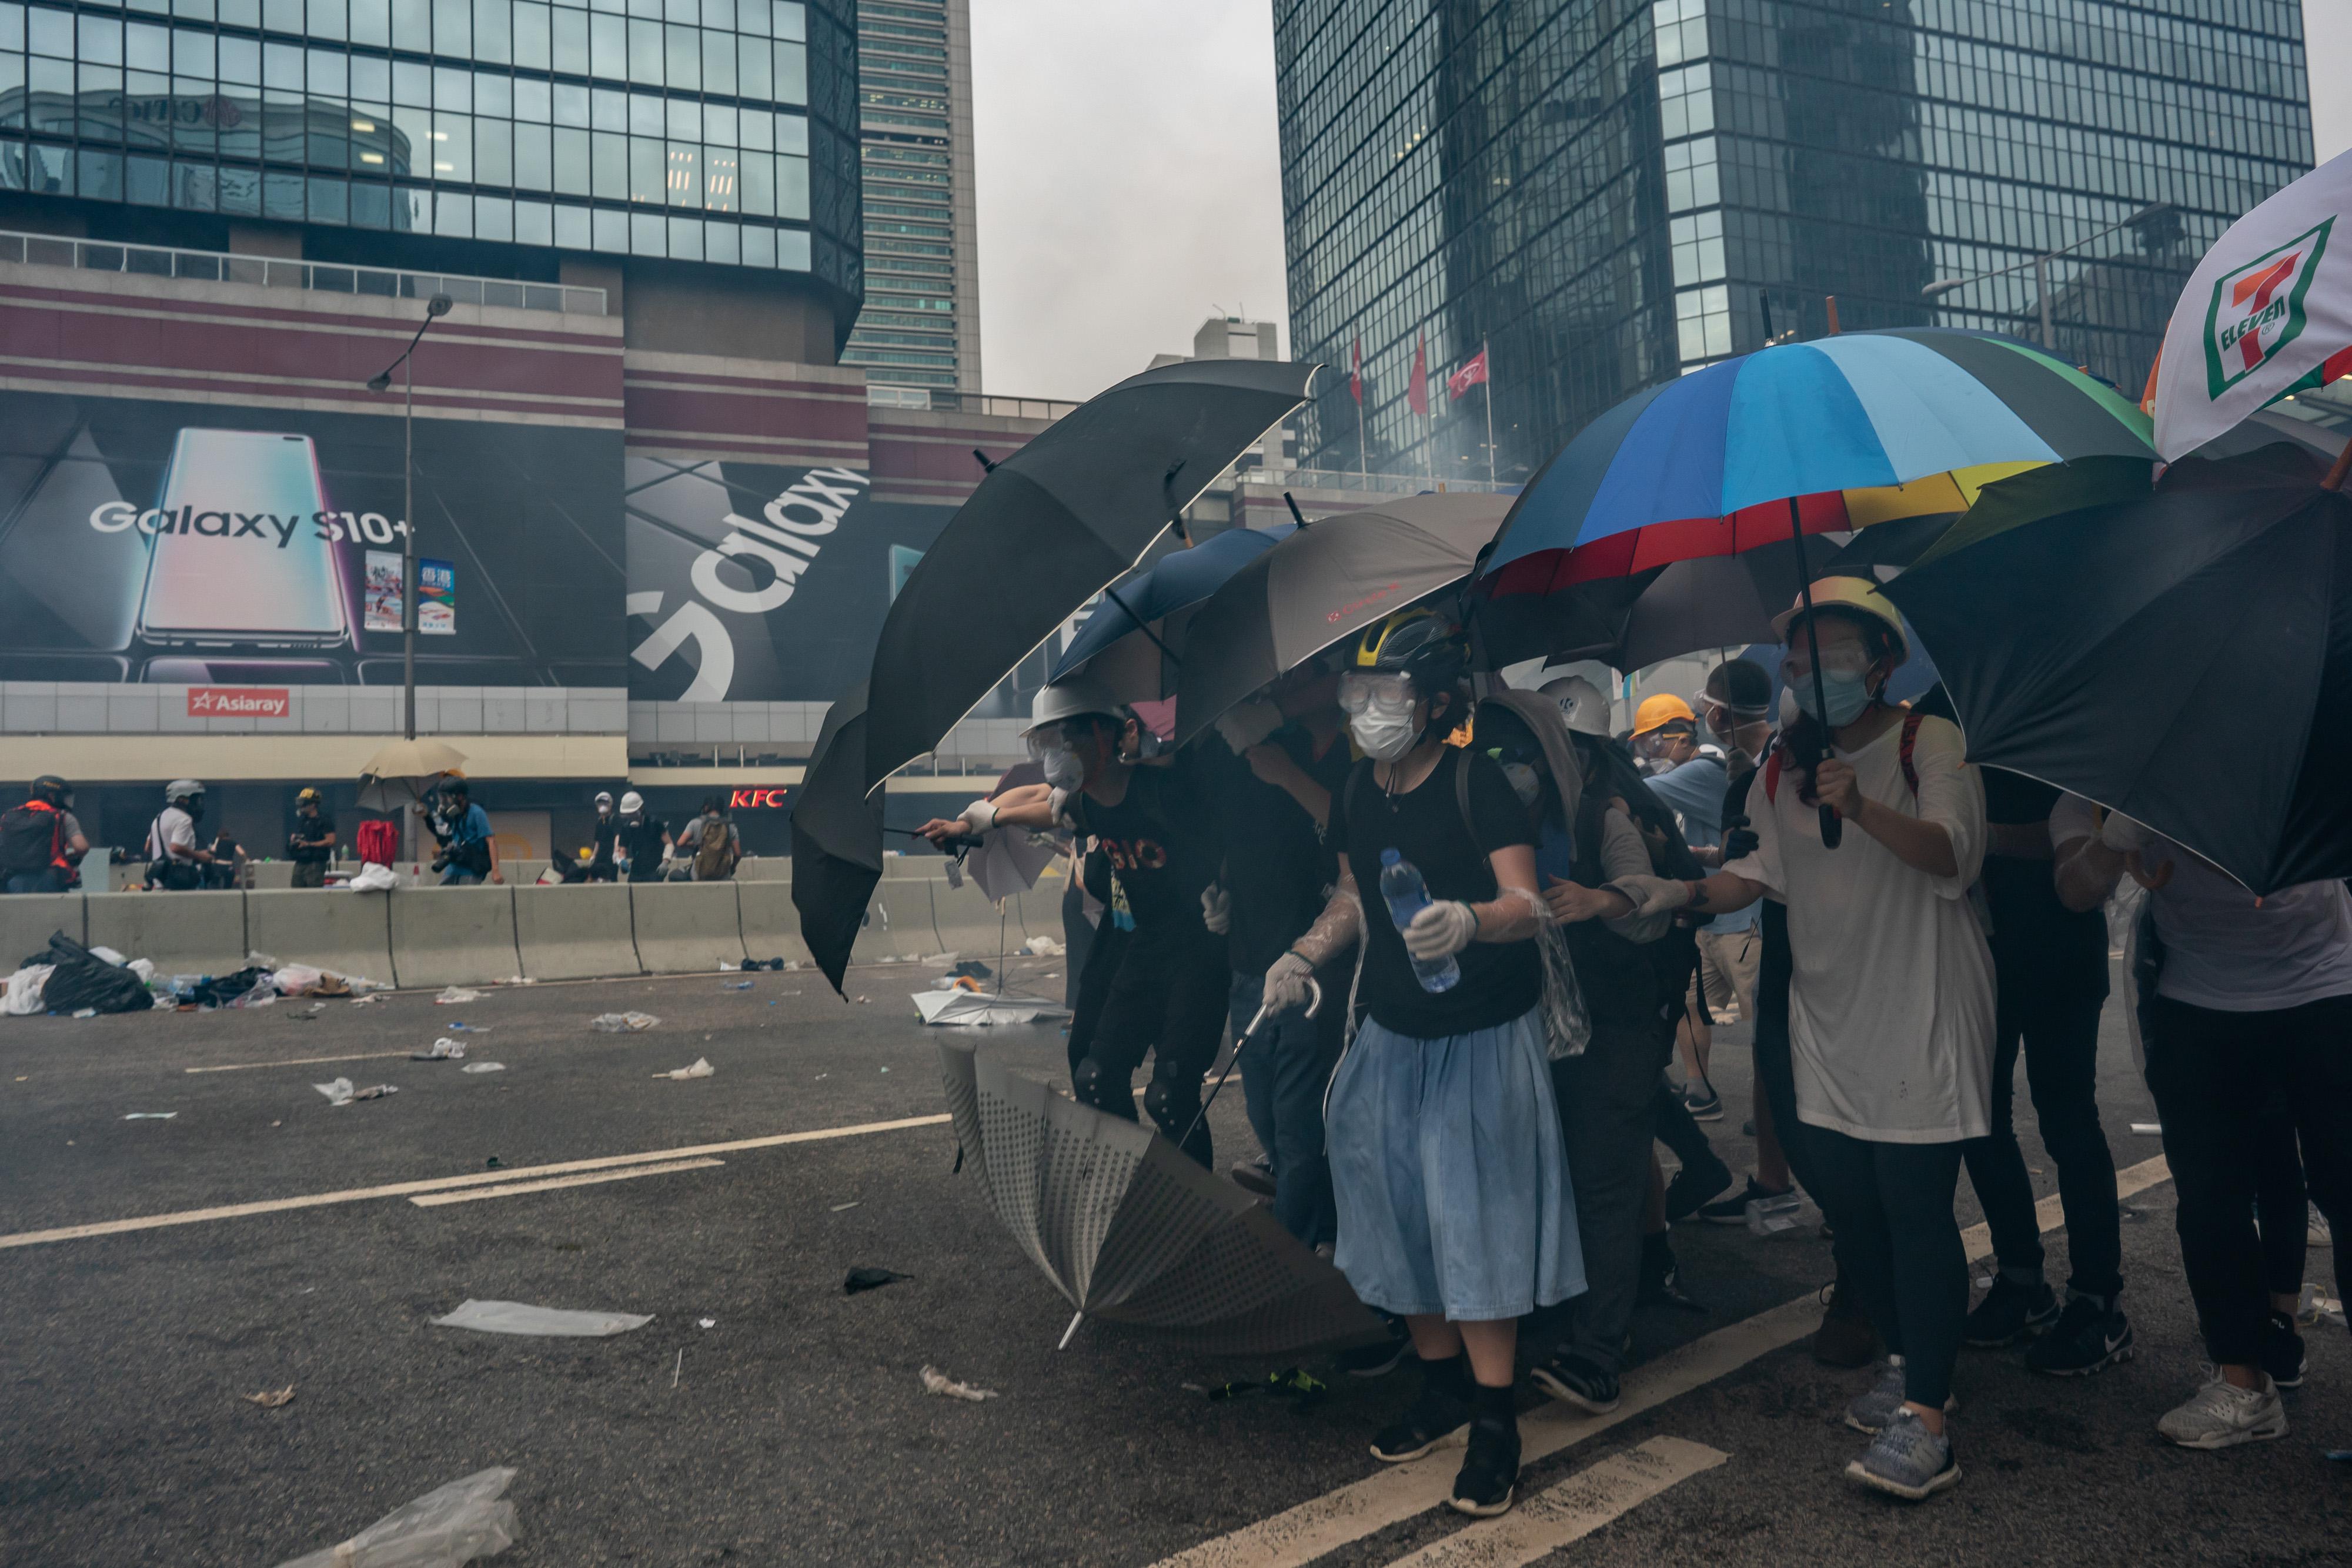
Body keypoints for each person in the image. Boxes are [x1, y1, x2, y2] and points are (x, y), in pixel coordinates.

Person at [1550, 579, 1992, 1502]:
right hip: (1827, 1019)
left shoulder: (1927, 741)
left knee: (1914, 1206)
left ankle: (1933, 1419)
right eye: (1796, 655)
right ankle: (1909, 1365)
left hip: (1920, 1010)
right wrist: (1642, 896)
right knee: (1854, 1202)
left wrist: (1865, 804)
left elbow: (1955, 851)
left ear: (1878, 661)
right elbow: (1754, 875)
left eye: (1822, 654)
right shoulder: (1785, 767)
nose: (1800, 670)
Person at [1263, 608, 1583, 1519]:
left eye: (1385, 694)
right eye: (1356, 693)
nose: (1365, 710)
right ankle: (1441, 1384)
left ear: (1438, 702)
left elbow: (1529, 900)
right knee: (1392, 1210)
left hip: (1481, 1034)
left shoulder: (1483, 784)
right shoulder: (1361, 789)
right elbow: (1355, 893)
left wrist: (1475, 918)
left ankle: (1495, 1417)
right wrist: (1303, 953)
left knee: (1469, 1217)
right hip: (1392, 1034)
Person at [2052, 797, 2352, 1449]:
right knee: (2209, 1197)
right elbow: (2074, 889)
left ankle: (2273, 1339)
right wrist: (2118, 837)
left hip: (2321, 987)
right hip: (2199, 1000)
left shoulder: (2284, 738)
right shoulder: (2112, 771)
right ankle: (2242, 1384)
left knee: (2344, 1184)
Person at [920, 676, 1229, 1168]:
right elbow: (1043, 804)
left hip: (1201, 951)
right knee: (1095, 1078)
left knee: (1170, 1095)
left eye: (1071, 739)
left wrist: (1228, 888)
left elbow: (1227, 829)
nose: (1058, 753)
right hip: (1146, 945)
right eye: (1049, 741)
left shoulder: (1166, 790)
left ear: (1111, 735)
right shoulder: (1086, 804)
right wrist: (973, 822)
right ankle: (1137, 1184)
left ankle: (1197, 1209)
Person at [1470, 692, 1672, 1417]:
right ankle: (1559, 1309)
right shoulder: (1479, 827)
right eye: (1490, 759)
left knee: (1601, 1183)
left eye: (1520, 759)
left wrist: (1603, 901)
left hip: (1613, 1029)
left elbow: (1652, 908)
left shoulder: (1599, 819)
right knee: (1538, 1179)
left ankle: (1597, 1349)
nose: (1508, 773)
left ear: (1565, 759)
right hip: (1525, 1032)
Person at [1955, 764, 2129, 1373]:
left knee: (2067, 1122)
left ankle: (2096, 1300)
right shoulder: (1941, 712)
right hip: (1978, 951)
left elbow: (2080, 828)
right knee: (1980, 1118)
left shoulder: (2066, 714)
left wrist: (1985, 835)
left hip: (2062, 948)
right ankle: (2021, 1278)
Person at [1204, 656, 1356, 1248]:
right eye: (1283, 675)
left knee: (1296, 1129)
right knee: (1264, 1114)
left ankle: (1293, 1254)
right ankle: (1313, 1222)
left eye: (1307, 671)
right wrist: (1216, 888)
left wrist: (1289, 777)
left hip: (1316, 968)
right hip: (1249, 961)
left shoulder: (1357, 757)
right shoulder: (1254, 750)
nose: (1289, 683)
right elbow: (1229, 831)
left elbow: (1357, 839)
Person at [1633, 692, 1735, 1120]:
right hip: (1707, 913)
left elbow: (1641, 791)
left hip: (1742, 919)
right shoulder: (1691, 771)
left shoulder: (1704, 768)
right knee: (1690, 1003)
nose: (1651, 753)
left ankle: (1781, 1110)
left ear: (1681, 736)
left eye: (1654, 743)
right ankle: (1700, 1088)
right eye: (1643, 746)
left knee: (1767, 1016)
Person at [2, 775, 85, 894]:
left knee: (19, 911)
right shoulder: (62, 816)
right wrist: (73, 857)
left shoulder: (8, 816)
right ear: (52, 796)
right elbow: (82, 847)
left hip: (14, 878)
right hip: (50, 877)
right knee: (52, 911)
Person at [423, 778, 499, 886]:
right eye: (442, 798)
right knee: (441, 897)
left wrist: (496, 871)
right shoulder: (454, 815)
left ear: (459, 797)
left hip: (471, 867)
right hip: (454, 865)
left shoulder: (476, 812)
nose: (444, 802)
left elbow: (491, 841)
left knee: (466, 900)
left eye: (447, 798)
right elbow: (441, 830)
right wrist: (426, 816)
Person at [146, 780, 213, 890]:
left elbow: (148, 847)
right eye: (195, 799)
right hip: (179, 881)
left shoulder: (159, 818)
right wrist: (201, 856)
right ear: (182, 799)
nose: (198, 803)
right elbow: (176, 847)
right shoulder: (184, 819)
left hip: (160, 881)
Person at [677, 795, 741, 881]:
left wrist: (694, 844)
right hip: (723, 874)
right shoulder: (731, 826)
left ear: (706, 807)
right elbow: (737, 854)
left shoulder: (695, 823)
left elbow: (680, 843)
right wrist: (732, 868)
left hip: (698, 873)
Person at [288, 787, 336, 888]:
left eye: (304, 803)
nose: (301, 806)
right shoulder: (303, 820)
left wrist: (309, 844)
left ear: (313, 805)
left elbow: (331, 840)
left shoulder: (324, 820)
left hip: (316, 863)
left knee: (313, 890)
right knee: (296, 890)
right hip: (301, 861)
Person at [617, 791, 667, 884]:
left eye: (632, 813)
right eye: (628, 814)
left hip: (654, 869)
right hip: (636, 870)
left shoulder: (654, 823)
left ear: (641, 809)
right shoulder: (626, 827)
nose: (630, 817)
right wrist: (622, 861)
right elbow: (622, 849)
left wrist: (665, 861)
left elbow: (669, 844)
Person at [587, 792, 620, 882]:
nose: (602, 806)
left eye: (605, 803)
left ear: (610, 805)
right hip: (600, 856)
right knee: (596, 877)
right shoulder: (599, 821)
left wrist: (616, 852)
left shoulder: (615, 819)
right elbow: (597, 841)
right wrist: (594, 855)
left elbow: (618, 836)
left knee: (610, 877)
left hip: (610, 856)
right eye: (600, 803)